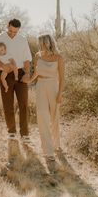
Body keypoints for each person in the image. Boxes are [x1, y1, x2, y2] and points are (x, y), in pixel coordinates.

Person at [25, 34, 65, 169]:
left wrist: (60, 94)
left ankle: (56, 145)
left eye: (44, 43)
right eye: (40, 43)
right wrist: (29, 80)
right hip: (40, 86)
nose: (42, 46)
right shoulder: (37, 56)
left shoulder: (59, 57)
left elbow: (62, 78)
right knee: (42, 118)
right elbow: (37, 72)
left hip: (53, 86)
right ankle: (48, 152)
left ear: (49, 43)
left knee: (54, 118)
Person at [0, 19, 32, 143]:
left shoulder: (22, 39)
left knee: (23, 104)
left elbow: (26, 59)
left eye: (15, 32)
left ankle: (25, 134)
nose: (12, 34)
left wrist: (27, 73)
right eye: (10, 31)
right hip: (6, 74)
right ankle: (11, 131)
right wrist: (3, 67)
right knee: (8, 104)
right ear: (7, 26)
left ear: (18, 30)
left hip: (21, 74)